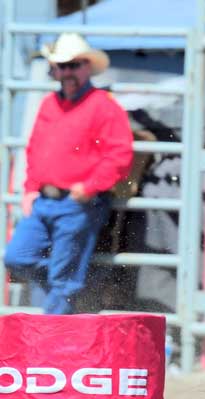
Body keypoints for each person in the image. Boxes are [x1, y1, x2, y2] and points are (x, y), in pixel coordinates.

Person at [4, 33, 133, 315]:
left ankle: (50, 338)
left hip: (78, 203)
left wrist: (90, 185)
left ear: (87, 67)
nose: (67, 72)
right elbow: (36, 149)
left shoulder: (103, 105)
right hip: (46, 200)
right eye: (62, 66)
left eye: (74, 65)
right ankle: (71, 292)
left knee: (62, 277)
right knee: (17, 257)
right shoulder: (50, 104)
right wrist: (30, 187)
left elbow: (120, 155)